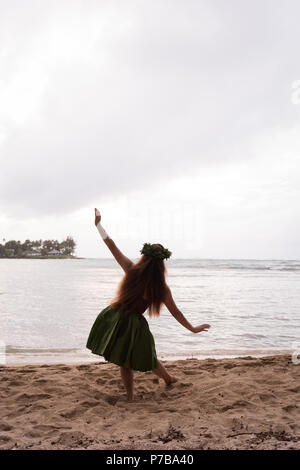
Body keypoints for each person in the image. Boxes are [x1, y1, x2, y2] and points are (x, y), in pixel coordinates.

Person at [86, 208, 211, 401]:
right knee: (146, 355)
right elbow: (176, 312)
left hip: (115, 316)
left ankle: (135, 393)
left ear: (144, 257)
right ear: (162, 264)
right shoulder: (161, 288)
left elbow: (111, 245)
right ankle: (166, 380)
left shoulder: (131, 270)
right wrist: (192, 329)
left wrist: (98, 225)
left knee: (124, 360)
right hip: (134, 323)